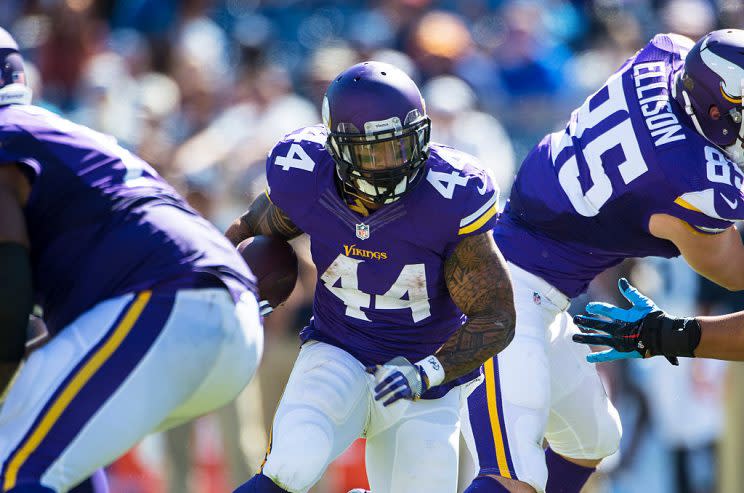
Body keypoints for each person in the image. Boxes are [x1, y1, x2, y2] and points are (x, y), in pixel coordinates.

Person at [462, 28, 744, 493]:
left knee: (593, 437)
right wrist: (670, 333)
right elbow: (732, 271)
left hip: (535, 271)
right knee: (516, 478)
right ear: (715, 111)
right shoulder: (693, 181)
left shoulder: (665, 58)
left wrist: (669, 334)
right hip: (500, 292)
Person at [224, 61, 516, 493]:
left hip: (422, 375)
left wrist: (427, 373)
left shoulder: (449, 196)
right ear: (338, 147)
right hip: (337, 349)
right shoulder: (305, 176)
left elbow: (496, 315)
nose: (392, 162)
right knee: (290, 466)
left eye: (401, 146)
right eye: (374, 151)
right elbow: (249, 231)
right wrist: (217, 284)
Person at [0, 27, 263, 492]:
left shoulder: (9, 136)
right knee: (46, 453)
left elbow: (8, 269)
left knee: (18, 469)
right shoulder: (47, 130)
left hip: (169, 300)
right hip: (202, 307)